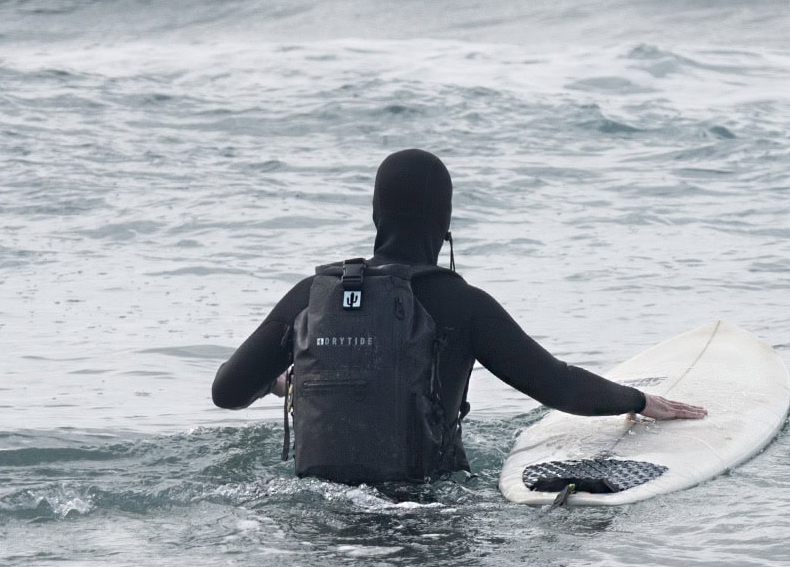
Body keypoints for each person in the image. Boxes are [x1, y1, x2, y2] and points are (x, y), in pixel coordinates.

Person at [212, 149, 705, 483]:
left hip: (317, 507)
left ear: (375, 216)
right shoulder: (462, 303)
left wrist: (288, 382)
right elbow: (560, 387)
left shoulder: (313, 296)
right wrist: (639, 399)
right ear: (445, 222)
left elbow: (227, 392)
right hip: (425, 502)